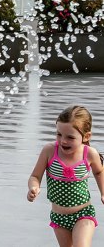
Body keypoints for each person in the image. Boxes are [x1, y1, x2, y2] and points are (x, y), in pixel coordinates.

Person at [27, 105, 104, 247]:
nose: (63, 141)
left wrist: (103, 193)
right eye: (59, 134)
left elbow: (99, 172)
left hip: (83, 213)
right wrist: (33, 187)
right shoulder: (49, 151)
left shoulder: (89, 154)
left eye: (70, 137)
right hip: (59, 217)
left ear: (86, 136)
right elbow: (35, 176)